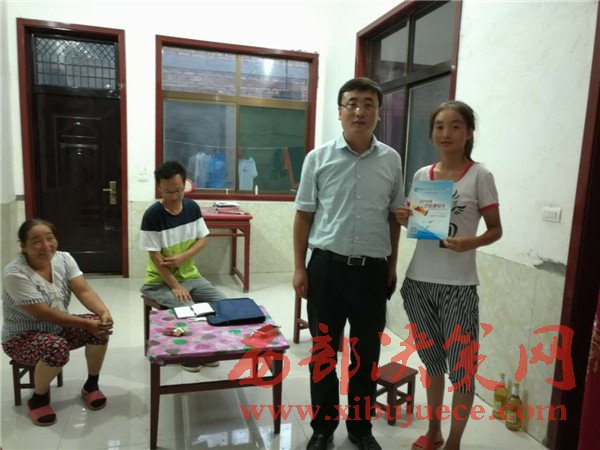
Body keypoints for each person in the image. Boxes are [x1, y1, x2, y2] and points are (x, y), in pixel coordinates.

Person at [293, 77, 404, 450]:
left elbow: (394, 217)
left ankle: (360, 428)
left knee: (366, 353)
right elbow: (304, 216)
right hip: (327, 268)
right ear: (340, 111)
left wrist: (392, 265)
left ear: (378, 112)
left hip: (373, 271)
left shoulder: (391, 160)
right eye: (352, 103)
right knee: (324, 350)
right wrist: (299, 267)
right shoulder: (318, 158)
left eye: (368, 104)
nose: (360, 111)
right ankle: (323, 427)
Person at [395, 101, 502, 450]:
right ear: (431, 133)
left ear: (469, 132)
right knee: (432, 364)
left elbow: (496, 229)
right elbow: (422, 225)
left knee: (463, 370)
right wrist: (405, 219)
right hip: (419, 283)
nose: (446, 133)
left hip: (459, 286)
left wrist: (471, 241)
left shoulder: (480, 176)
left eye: (455, 126)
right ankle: (434, 432)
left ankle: (454, 442)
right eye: (439, 126)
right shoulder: (421, 176)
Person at [1, 219, 113, 427]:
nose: (46, 246)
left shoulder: (64, 258)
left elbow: (83, 290)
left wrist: (103, 312)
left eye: (50, 238)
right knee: (56, 347)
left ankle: (91, 384)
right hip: (21, 337)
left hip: (58, 328)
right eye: (36, 241)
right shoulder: (15, 273)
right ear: (23, 246)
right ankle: (38, 399)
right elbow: (43, 313)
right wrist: (85, 324)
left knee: (100, 327)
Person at [140, 160, 226, 372]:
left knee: (223, 304)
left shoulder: (192, 207)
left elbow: (203, 239)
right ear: (159, 188)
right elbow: (155, 258)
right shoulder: (152, 216)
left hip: (191, 276)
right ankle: (187, 352)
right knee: (188, 310)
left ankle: (207, 348)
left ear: (184, 185)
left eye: (178, 190)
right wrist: (175, 286)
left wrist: (182, 258)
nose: (174, 196)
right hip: (160, 282)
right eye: (168, 192)